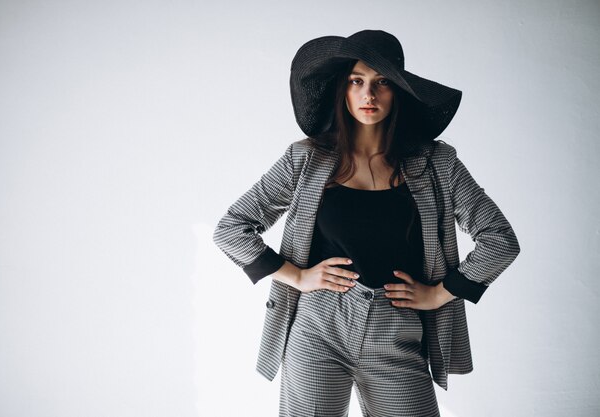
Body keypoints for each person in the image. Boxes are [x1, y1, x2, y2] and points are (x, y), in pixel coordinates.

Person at [213, 29, 520, 417]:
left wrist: (441, 292)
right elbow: (232, 227)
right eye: (357, 81)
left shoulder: (437, 164)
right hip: (319, 327)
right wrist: (296, 276)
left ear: (399, 92)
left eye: (382, 83)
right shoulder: (305, 160)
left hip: (399, 331)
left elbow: (500, 240)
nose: (368, 95)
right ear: (343, 89)